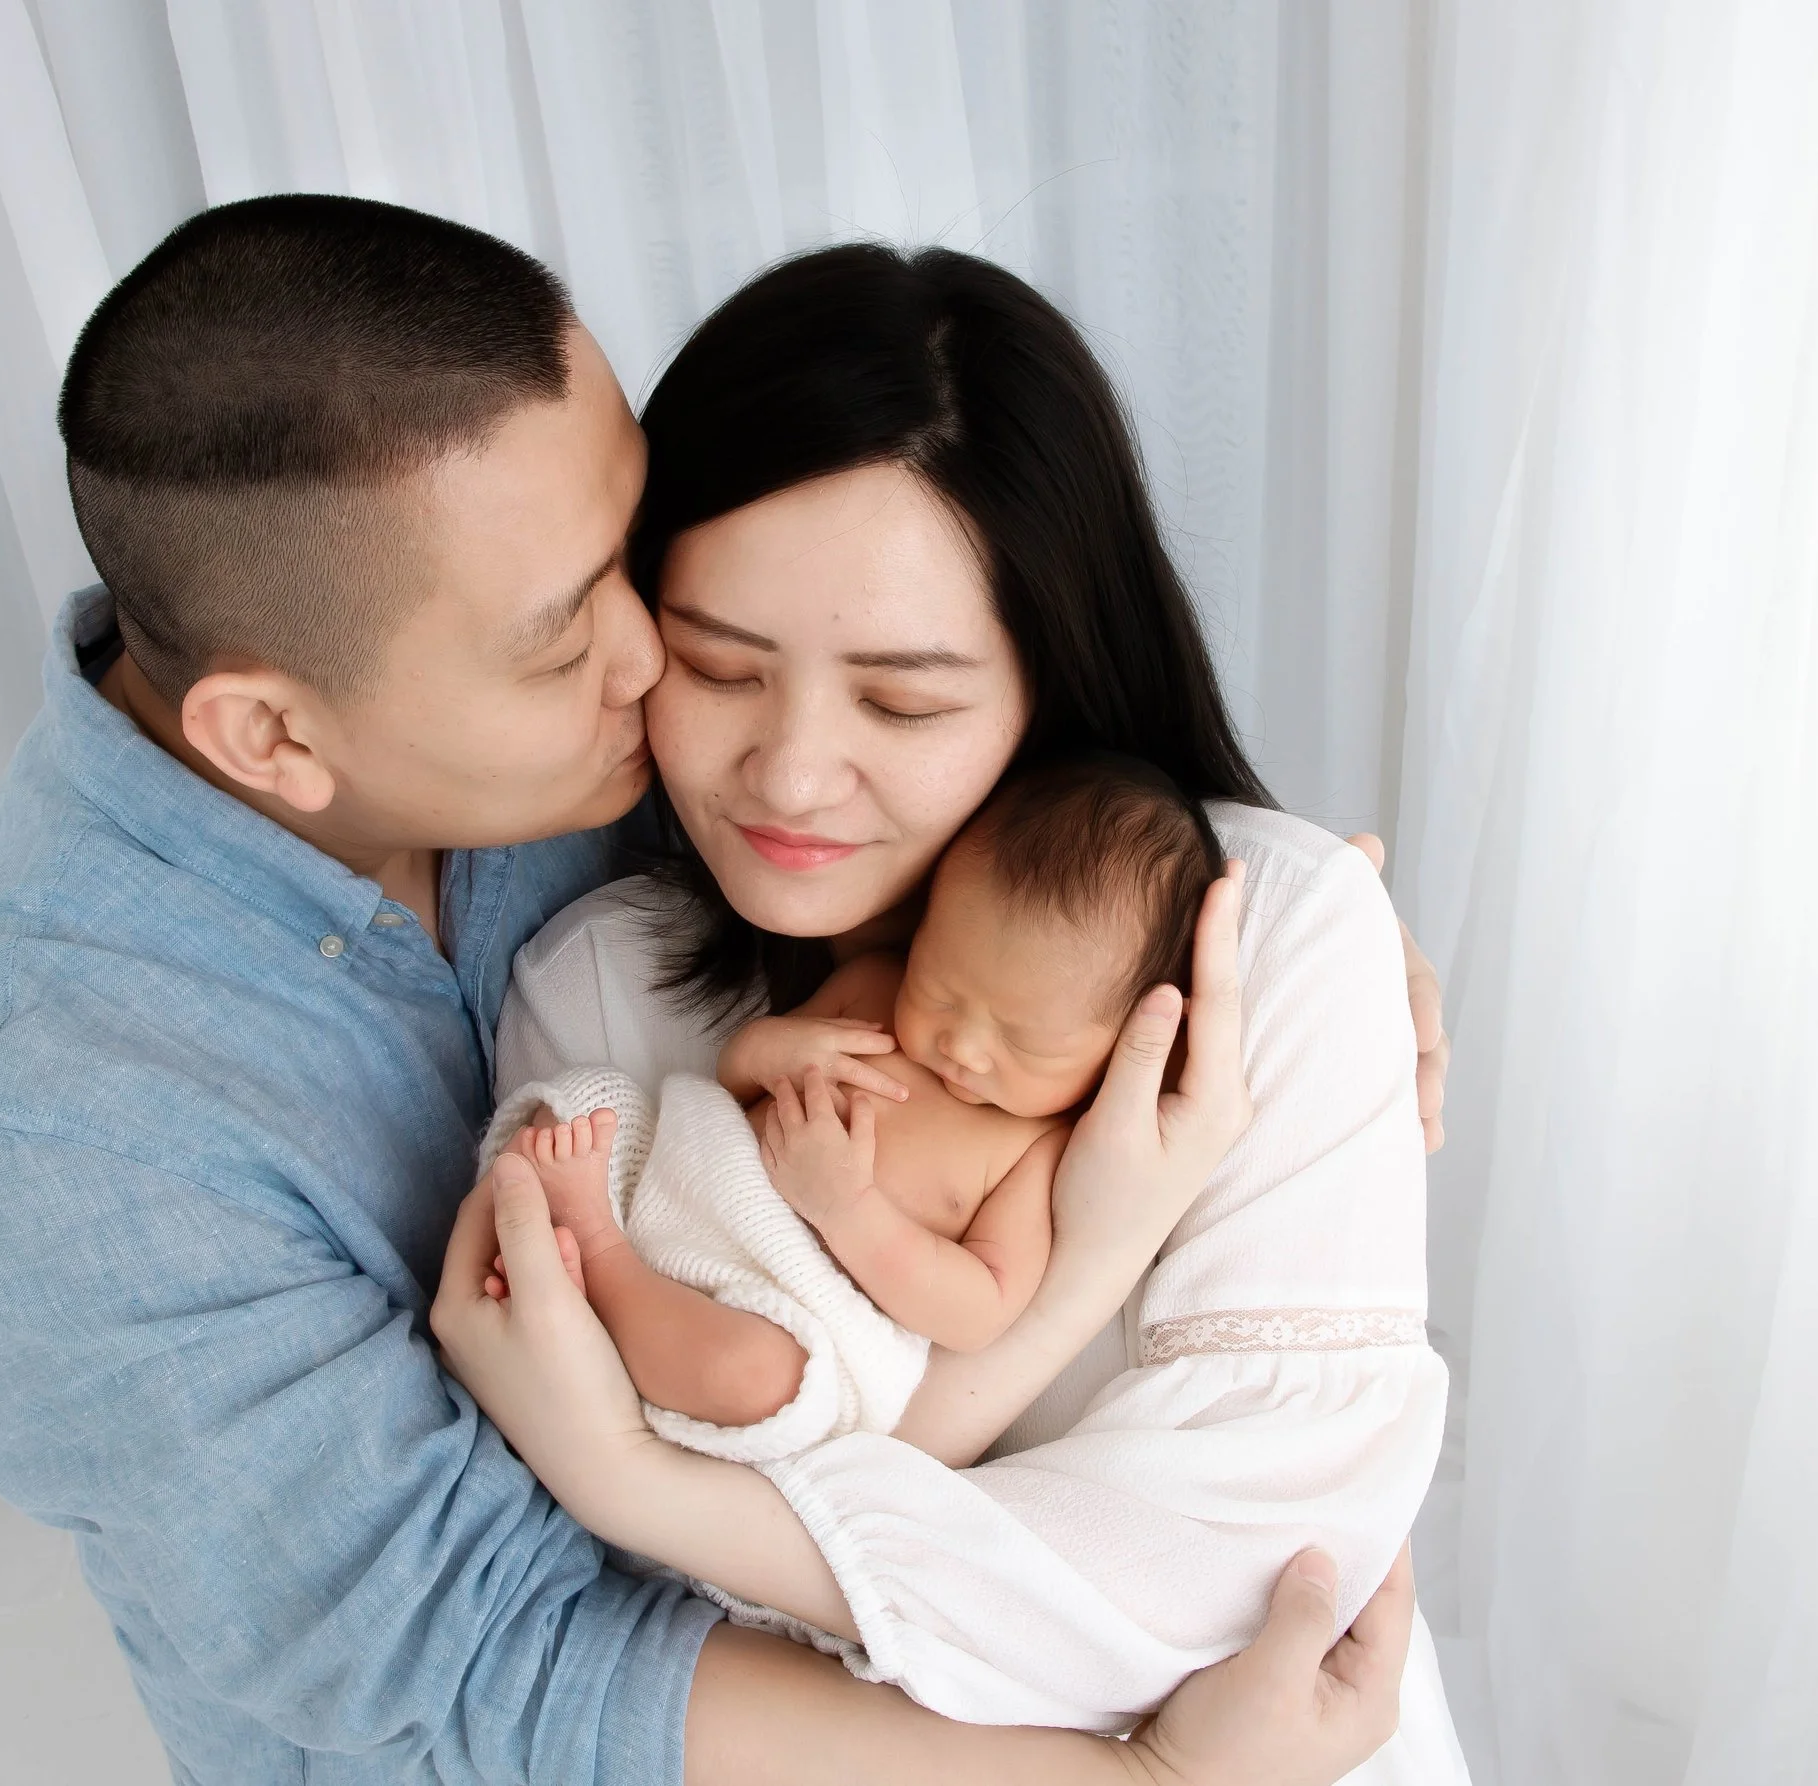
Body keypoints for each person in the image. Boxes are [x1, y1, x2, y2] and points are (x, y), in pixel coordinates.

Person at [0, 194, 1434, 1783]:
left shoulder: (587, 739)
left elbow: (949, 684)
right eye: (585, 643)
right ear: (274, 739)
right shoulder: (33, 1125)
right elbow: (498, 1662)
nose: (655, 669)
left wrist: (1305, 933)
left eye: (633, 562)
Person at [436, 243, 1472, 1770]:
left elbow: (1240, 1592)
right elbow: (667, 1625)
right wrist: (1091, 1259)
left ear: (1051, 679)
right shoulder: (598, 985)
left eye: (904, 701)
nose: (788, 775)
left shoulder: (1271, 940)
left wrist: (643, 1483)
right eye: (719, 669)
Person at [484, 755, 1227, 1436]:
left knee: (753, 1377)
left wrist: (849, 1210)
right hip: (678, 1182)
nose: (961, 1046)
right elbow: (733, 1083)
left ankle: (599, 1263)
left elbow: (979, 1308)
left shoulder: (1037, 1148)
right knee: (582, 1105)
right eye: (941, 989)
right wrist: (769, 1050)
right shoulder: (874, 988)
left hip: (777, 1304)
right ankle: (561, 1263)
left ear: (1121, 1046)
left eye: (1025, 1042)